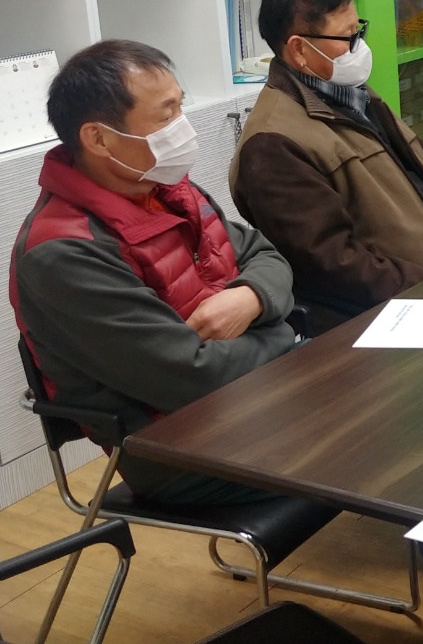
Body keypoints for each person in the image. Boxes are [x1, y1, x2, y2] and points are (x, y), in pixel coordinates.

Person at [9, 41, 295, 505]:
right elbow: (192, 378)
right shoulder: (62, 253)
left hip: (257, 398)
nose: (183, 128)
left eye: (181, 107)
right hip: (183, 450)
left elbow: (267, 256)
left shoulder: (169, 190)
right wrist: (286, 337)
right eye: (166, 116)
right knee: (387, 429)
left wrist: (251, 297)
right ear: (98, 139)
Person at [231, 0, 423, 334]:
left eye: (359, 30)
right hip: (394, 319)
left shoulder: (352, 95)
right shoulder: (273, 144)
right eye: (347, 38)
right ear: (299, 49)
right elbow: (336, 263)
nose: (359, 47)